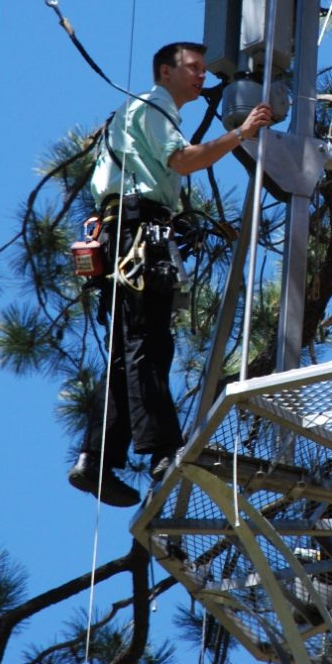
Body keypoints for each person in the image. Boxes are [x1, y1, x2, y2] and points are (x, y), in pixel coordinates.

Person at [68, 41, 272, 506]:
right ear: (165, 71)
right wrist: (241, 133)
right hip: (137, 234)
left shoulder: (132, 114)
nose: (202, 77)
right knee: (148, 343)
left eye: (204, 69)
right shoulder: (155, 106)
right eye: (193, 68)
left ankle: (95, 458)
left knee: (125, 351)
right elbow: (183, 161)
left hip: (119, 235)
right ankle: (164, 450)